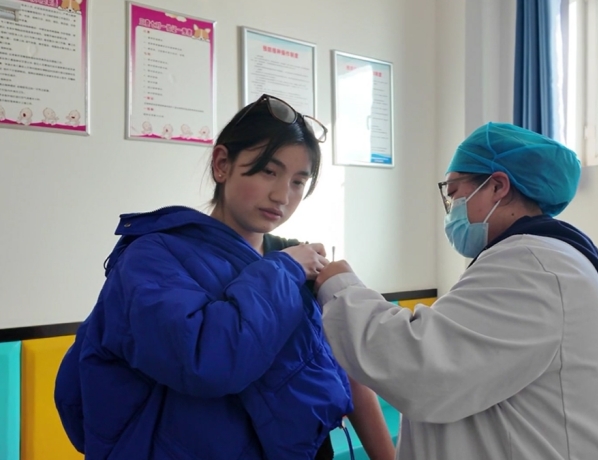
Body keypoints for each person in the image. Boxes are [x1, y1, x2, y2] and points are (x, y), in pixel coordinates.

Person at [54, 94, 395, 460]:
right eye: (269, 171)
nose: (282, 195)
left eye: (299, 181)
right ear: (221, 164)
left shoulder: (300, 261)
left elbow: (350, 372)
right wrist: (286, 269)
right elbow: (207, 359)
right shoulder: (153, 257)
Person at [313, 122, 598, 459]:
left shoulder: (531, 264)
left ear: (497, 186)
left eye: (453, 193)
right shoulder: (538, 260)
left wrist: (339, 286)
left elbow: (424, 369)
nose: (451, 209)